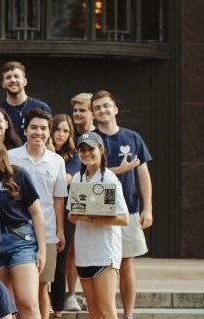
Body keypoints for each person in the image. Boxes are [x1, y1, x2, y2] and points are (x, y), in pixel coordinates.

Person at [91, 90, 152, 319]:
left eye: (106, 106)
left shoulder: (133, 137)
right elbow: (89, 173)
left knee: (127, 264)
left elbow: (143, 174)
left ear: (115, 109)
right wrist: (120, 170)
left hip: (129, 210)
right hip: (100, 211)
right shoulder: (91, 139)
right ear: (93, 114)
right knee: (105, 267)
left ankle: (128, 315)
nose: (103, 110)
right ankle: (108, 313)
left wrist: (148, 208)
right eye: (97, 108)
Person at [6, 109, 70, 317]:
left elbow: (58, 198)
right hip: (16, 231)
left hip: (47, 232)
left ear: (49, 132)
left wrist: (60, 230)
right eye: (34, 127)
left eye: (43, 128)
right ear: (25, 130)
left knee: (42, 287)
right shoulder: (10, 157)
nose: (38, 132)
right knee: (16, 289)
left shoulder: (56, 161)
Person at [0, 134, 46, 319]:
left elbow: (37, 213)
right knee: (4, 307)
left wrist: (42, 249)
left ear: (1, 150)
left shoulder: (17, 174)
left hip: (20, 241)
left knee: (28, 303)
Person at [68, 132, 129, 319]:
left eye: (91, 149)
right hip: (84, 253)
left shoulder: (109, 179)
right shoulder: (78, 179)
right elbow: (72, 215)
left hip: (105, 252)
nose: (86, 153)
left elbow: (124, 218)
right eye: (82, 149)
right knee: (93, 310)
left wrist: (90, 218)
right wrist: (77, 216)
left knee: (107, 310)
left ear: (101, 150)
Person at [48, 113, 82, 316]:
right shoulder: (38, 151)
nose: (60, 134)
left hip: (65, 212)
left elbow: (65, 181)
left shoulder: (74, 156)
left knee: (60, 264)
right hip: (41, 211)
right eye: (57, 129)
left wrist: (52, 155)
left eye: (65, 131)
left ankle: (58, 310)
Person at [0, 61, 52, 142]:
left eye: (16, 76)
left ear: (25, 81)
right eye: (8, 77)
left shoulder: (41, 108)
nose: (12, 80)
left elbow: (50, 140)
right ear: (3, 84)